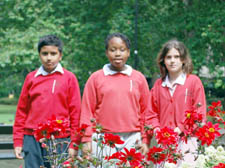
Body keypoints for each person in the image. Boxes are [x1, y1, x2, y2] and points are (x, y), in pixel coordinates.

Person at [80, 33, 150, 164]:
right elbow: (87, 111)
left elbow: (146, 111)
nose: (118, 54)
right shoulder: (96, 78)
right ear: (107, 52)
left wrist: (145, 140)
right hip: (103, 138)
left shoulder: (138, 78)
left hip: (132, 138)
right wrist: (86, 139)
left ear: (128, 52)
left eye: (122, 50)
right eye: (113, 50)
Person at [13, 35, 81, 168]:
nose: (49, 57)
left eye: (53, 53)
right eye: (45, 53)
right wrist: (18, 141)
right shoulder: (31, 78)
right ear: (39, 55)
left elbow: (75, 113)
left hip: (60, 139)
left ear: (60, 55)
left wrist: (74, 143)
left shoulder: (69, 78)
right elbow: (22, 111)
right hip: (32, 138)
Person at [148, 39, 206, 167]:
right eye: (168, 57)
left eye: (177, 57)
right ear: (163, 60)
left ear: (183, 59)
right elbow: (150, 113)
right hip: (164, 142)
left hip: (187, 141)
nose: (172, 61)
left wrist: (180, 128)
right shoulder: (158, 85)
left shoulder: (193, 82)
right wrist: (157, 129)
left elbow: (199, 115)